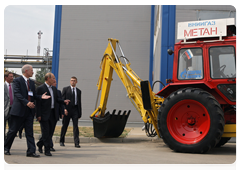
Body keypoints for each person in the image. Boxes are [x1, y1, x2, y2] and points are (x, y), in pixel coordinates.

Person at [4, 64, 51, 157]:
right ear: (26, 71)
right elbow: (17, 94)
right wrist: (26, 102)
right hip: (18, 111)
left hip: (29, 112)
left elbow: (33, 95)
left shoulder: (32, 83)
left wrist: (40, 97)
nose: (33, 72)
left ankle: (31, 151)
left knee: (30, 132)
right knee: (13, 131)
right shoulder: (17, 81)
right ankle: (6, 148)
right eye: (32, 70)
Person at [36, 73, 70, 156]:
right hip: (44, 114)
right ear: (48, 78)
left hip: (53, 114)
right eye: (53, 78)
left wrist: (63, 101)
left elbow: (56, 99)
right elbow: (38, 103)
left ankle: (40, 144)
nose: (55, 80)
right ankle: (47, 150)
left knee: (50, 133)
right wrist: (38, 114)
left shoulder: (54, 89)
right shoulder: (40, 88)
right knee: (45, 132)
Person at [60, 76, 82, 148]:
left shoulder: (78, 91)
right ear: (70, 81)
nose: (73, 81)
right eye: (72, 80)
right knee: (65, 125)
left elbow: (79, 102)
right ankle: (62, 140)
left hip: (75, 110)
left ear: (76, 82)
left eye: (74, 80)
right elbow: (62, 100)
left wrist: (79, 113)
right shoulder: (65, 89)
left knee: (75, 127)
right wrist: (64, 109)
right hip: (67, 109)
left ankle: (76, 143)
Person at [4, 71, 14, 141]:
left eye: (12, 76)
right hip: (4, 109)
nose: (12, 78)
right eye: (11, 76)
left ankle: (8, 141)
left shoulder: (14, 86)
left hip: (13, 109)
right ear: (6, 78)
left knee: (12, 127)